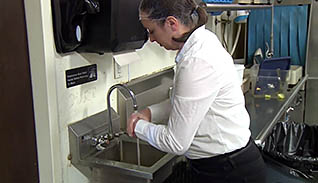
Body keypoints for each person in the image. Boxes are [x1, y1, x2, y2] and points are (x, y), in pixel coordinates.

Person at [127, 0, 267, 182]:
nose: (151, 39)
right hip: (225, 164)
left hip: (229, 171)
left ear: (171, 23)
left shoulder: (196, 61)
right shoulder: (202, 40)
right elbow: (189, 103)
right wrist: (150, 113)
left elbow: (175, 143)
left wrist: (137, 126)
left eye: (151, 31)